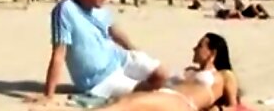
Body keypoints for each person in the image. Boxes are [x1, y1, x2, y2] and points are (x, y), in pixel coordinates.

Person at [31, 0, 168, 104]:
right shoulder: (66, 10)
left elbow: (113, 31)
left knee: (161, 74)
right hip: (99, 80)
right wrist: (48, 94)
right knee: (147, 92)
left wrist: (133, 49)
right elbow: (59, 54)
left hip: (119, 59)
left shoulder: (100, 9)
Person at [63, 33, 240, 111]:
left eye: (200, 45)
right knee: (121, 103)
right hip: (164, 96)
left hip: (181, 103)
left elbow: (233, 106)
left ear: (212, 53)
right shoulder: (190, 71)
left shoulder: (224, 75)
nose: (194, 48)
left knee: (124, 106)